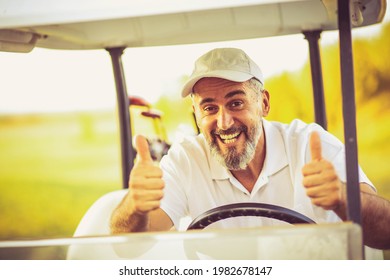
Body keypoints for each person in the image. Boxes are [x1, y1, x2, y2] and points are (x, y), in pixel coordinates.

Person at [110, 48, 390, 252]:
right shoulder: (185, 159)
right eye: (209, 108)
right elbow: (126, 247)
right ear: (196, 114)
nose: (223, 122)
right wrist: (135, 205)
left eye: (236, 103)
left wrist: (343, 197)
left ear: (264, 104)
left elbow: (386, 233)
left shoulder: (309, 144)